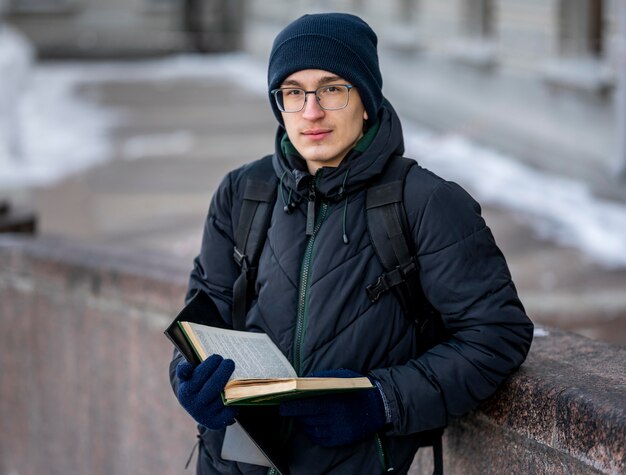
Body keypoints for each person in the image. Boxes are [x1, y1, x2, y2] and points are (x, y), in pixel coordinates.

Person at [169, 12, 533, 475]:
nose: (311, 111)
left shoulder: (426, 203)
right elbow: (200, 321)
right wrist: (187, 381)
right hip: (230, 465)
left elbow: (497, 335)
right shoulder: (243, 192)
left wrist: (381, 400)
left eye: (332, 88)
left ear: (366, 100)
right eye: (293, 92)